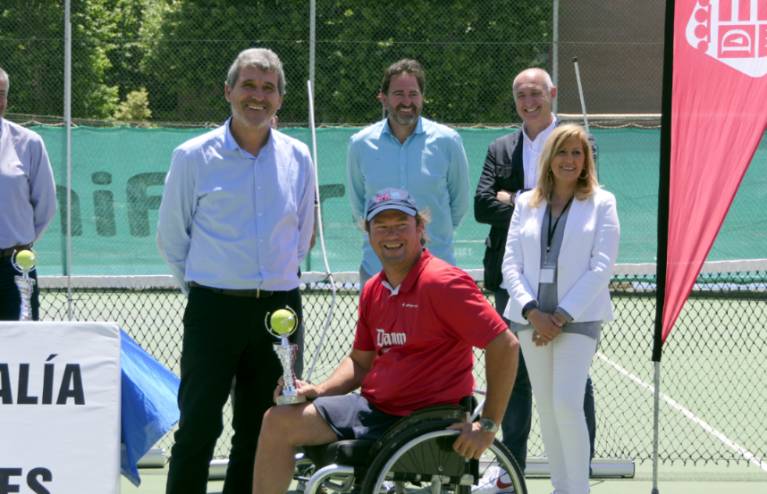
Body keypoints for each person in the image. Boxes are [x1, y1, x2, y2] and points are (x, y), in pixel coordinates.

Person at [252, 187, 519, 494]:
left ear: (420, 228)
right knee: (277, 420)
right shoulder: (373, 289)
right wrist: (319, 390)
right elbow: (360, 362)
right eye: (381, 226)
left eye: (401, 225)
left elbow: (505, 344)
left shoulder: (442, 282)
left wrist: (487, 425)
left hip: (422, 422)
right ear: (369, 234)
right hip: (373, 410)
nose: (391, 234)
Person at [157, 48, 316, 494]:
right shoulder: (192, 156)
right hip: (213, 311)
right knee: (198, 427)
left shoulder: (299, 156)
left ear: (280, 98)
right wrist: (208, 289)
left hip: (280, 315)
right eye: (248, 85)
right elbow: (172, 237)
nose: (257, 96)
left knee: (261, 429)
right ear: (228, 91)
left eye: (268, 88)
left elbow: (301, 235)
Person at [474, 67, 597, 472]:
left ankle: (579, 465)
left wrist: (517, 199)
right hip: (514, 281)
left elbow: (582, 201)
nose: (529, 103)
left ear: (552, 94)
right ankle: (511, 469)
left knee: (572, 381)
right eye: (521, 96)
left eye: (536, 94)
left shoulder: (579, 142)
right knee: (515, 375)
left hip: (569, 284)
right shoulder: (499, 148)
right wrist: (533, 204)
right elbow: (481, 206)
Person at [502, 124, 619, 494]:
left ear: (586, 161)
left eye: (577, 153)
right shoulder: (526, 203)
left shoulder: (603, 202)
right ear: (549, 158)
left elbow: (602, 266)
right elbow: (511, 265)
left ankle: (578, 489)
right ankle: (561, 486)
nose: (569, 160)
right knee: (548, 408)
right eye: (562, 152)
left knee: (567, 404)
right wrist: (533, 312)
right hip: (530, 320)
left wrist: (560, 316)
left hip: (579, 319)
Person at [347, 59, 470, 286]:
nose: (407, 101)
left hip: (437, 273)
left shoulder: (448, 141)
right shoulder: (360, 144)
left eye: (413, 94)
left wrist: (430, 237)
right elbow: (359, 209)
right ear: (383, 98)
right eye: (398, 94)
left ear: (422, 97)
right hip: (378, 271)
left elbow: (459, 204)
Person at [0, 66, 56, 321]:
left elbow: (46, 205)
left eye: (1, 94)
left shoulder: (29, 143)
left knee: (21, 342)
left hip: (14, 270)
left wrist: (21, 243)